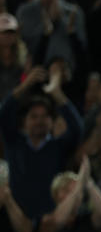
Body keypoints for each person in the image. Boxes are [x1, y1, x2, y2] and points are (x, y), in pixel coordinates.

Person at [0, 67, 83, 221]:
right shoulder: (14, 143)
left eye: (45, 117)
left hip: (50, 222)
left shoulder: (58, 147)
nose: (39, 121)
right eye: (34, 116)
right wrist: (24, 87)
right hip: (17, 222)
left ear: (51, 122)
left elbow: (77, 129)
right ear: (25, 121)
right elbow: (4, 115)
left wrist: (57, 94)